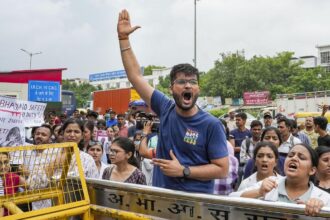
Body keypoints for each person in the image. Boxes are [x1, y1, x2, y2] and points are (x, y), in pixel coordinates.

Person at [117, 9, 228, 193]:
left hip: (194, 205)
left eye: (193, 82)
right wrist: (123, 40)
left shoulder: (211, 124)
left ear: (198, 89)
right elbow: (136, 76)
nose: (187, 86)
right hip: (162, 201)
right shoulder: (165, 107)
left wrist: (183, 170)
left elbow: (222, 169)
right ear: (171, 88)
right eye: (181, 82)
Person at [230, 143, 330, 217]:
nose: (294, 158)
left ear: (312, 170)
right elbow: (231, 199)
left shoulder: (324, 198)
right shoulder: (270, 183)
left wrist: (321, 212)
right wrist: (259, 192)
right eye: (290, 155)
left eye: (302, 157)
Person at [0, 152, 26, 216]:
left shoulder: (14, 177)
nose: (3, 166)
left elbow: (32, 186)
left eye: (6, 162)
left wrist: (26, 173)